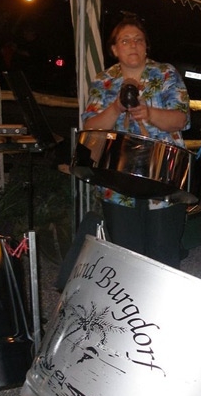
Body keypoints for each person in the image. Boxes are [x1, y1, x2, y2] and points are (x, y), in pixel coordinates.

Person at [82, 15, 191, 269]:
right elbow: (90, 127)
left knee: (163, 255)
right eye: (125, 40)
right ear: (114, 49)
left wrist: (150, 114)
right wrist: (116, 107)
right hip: (118, 181)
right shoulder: (104, 80)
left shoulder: (165, 73)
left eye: (138, 40)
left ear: (146, 46)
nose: (133, 45)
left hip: (163, 176)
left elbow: (181, 119)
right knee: (126, 258)